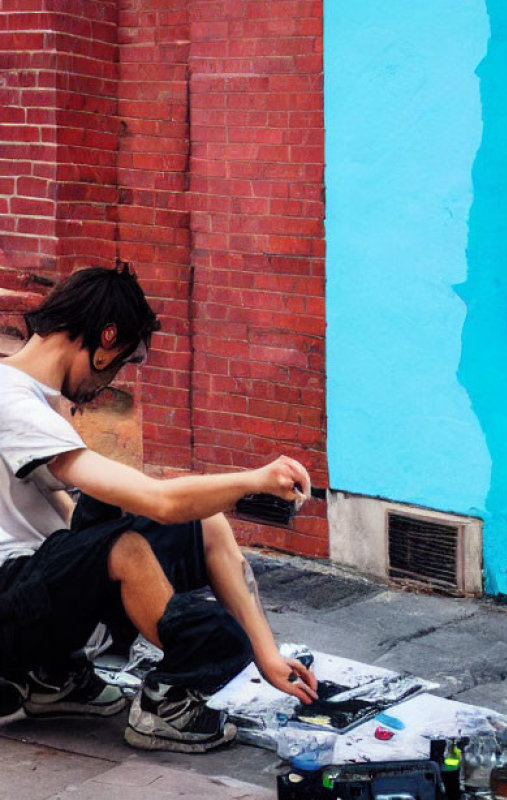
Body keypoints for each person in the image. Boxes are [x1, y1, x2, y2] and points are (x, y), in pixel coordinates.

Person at [0, 264, 318, 753]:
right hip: (9, 602)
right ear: (106, 338)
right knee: (127, 545)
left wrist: (266, 654)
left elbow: (81, 519)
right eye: (119, 362)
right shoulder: (10, 398)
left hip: (32, 591)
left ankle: (52, 675)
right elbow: (158, 501)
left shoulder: (40, 400)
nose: (110, 382)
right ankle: (163, 705)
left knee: (184, 520)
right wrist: (253, 481)